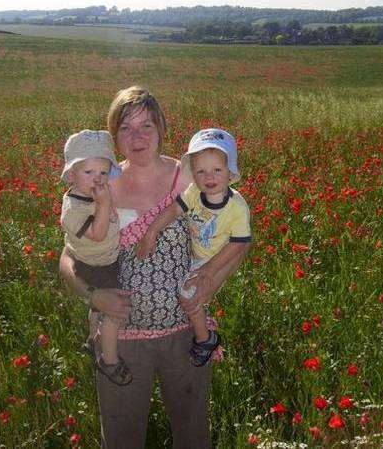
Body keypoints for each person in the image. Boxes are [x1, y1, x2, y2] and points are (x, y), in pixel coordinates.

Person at [59, 86, 250, 449]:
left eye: (146, 125)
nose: (138, 136)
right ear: (114, 136)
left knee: (192, 435)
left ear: (162, 128)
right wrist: (93, 295)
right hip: (121, 341)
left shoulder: (191, 176)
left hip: (185, 335)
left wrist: (212, 277)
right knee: (121, 439)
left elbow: (239, 235)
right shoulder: (99, 182)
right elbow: (68, 258)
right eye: (126, 128)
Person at [136, 128, 251, 367]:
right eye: (201, 171)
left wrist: (209, 270)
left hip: (219, 257)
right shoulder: (194, 193)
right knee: (182, 287)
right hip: (196, 254)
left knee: (189, 296)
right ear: (194, 174)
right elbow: (173, 210)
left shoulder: (237, 207)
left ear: (230, 173)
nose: (209, 177)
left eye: (217, 170)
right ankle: (197, 322)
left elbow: (238, 245)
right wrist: (151, 232)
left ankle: (205, 339)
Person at [60, 129, 132, 386]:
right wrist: (104, 203)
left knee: (95, 310)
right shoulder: (73, 209)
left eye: (103, 173)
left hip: (104, 260)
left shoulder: (90, 195)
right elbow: (99, 233)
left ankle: (92, 340)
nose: (98, 180)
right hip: (96, 266)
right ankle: (108, 360)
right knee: (113, 312)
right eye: (89, 173)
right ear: (71, 175)